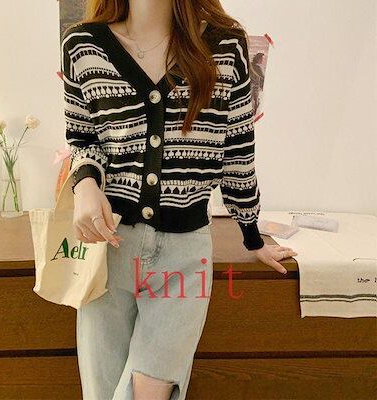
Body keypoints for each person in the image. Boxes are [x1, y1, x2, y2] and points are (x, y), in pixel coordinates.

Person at [61, 1, 297, 399]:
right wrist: (84, 184)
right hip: (108, 251)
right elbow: (82, 140)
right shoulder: (83, 45)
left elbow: (238, 152)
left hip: (183, 258)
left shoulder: (225, 47)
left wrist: (252, 235)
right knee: (102, 392)